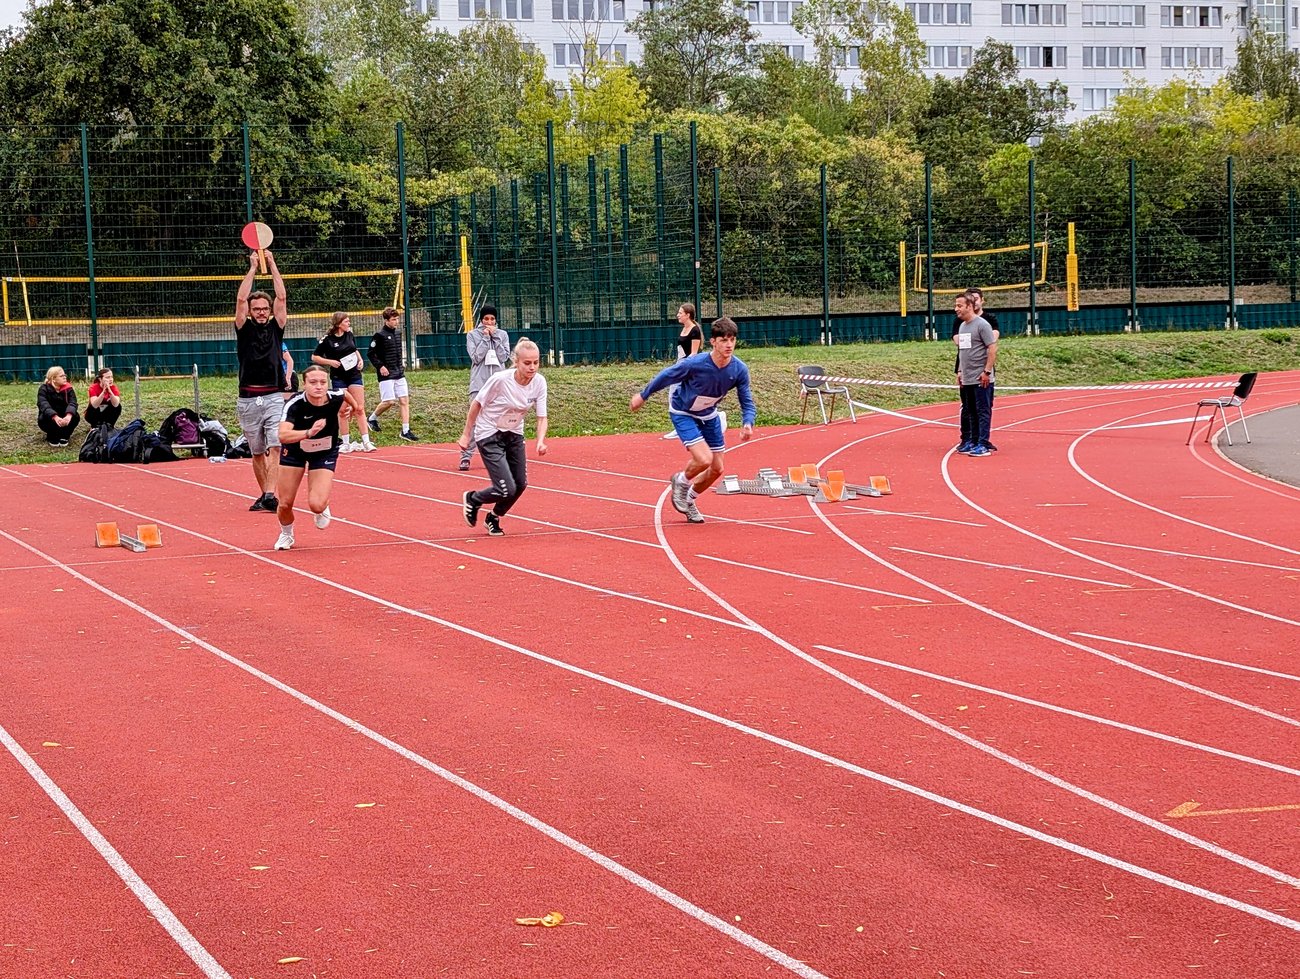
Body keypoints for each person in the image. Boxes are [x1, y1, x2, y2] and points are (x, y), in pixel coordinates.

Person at [629, 316, 756, 524]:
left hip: (709, 415)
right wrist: (643, 396)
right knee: (703, 459)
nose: (729, 345)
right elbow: (666, 376)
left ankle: (689, 501)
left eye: (732, 340)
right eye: (724, 340)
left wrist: (748, 423)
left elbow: (747, 400)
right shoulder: (695, 364)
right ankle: (680, 481)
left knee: (717, 468)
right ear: (713, 342)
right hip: (683, 413)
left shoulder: (739, 369)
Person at [457, 338, 548, 537]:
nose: (532, 367)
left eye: (536, 362)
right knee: (505, 488)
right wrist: (466, 434)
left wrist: (541, 440)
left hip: (514, 433)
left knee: (520, 484)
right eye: (527, 363)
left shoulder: (540, 382)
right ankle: (473, 498)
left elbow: (542, 417)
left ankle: (494, 517)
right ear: (516, 361)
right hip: (489, 433)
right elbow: (476, 405)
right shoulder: (500, 379)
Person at [273, 364, 363, 551]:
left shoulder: (334, 396)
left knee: (316, 505)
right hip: (294, 452)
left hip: (324, 452)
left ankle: (322, 505)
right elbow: (282, 435)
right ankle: (286, 534)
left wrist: (353, 408)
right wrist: (308, 432)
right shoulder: (294, 404)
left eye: (323, 382)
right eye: (313, 382)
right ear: (304, 384)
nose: (319, 386)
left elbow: (345, 394)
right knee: (285, 503)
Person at [234, 248, 288, 512]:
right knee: (256, 452)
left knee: (275, 446)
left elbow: (282, 295)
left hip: (273, 395)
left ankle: (270, 493)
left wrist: (273, 263)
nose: (261, 312)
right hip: (247, 398)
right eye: (257, 309)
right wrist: (253, 268)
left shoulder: (277, 327)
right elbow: (241, 298)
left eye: (264, 308)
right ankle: (264, 495)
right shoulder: (243, 328)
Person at [312, 312, 374, 453]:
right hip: (339, 377)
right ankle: (345, 442)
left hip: (354, 375)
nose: (349, 323)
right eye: (346, 321)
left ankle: (366, 441)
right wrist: (330, 362)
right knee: (342, 410)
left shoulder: (350, 334)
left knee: (359, 407)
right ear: (339, 323)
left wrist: (360, 360)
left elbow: (354, 349)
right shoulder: (327, 340)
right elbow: (315, 357)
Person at [460, 304, 511, 471]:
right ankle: (466, 456)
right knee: (474, 420)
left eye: (492, 319)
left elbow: (504, 356)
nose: (489, 322)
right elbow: (476, 357)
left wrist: (494, 338)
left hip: (498, 384)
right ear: (481, 320)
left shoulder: (502, 335)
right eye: (486, 319)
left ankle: (501, 455)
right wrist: (484, 338)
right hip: (479, 383)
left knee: (500, 420)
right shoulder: (472, 335)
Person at [952, 287, 1000, 453]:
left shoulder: (982, 325)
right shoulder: (962, 326)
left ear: (969, 306)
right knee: (970, 411)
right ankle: (972, 441)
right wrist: (960, 371)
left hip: (981, 377)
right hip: (967, 377)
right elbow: (962, 352)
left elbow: (992, 349)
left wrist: (986, 372)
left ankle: (983, 443)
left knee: (982, 411)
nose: (956, 309)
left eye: (959, 305)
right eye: (956, 306)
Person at [367, 306, 418, 442]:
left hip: (399, 372)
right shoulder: (379, 335)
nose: (396, 322)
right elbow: (370, 354)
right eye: (393, 319)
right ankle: (372, 418)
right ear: (386, 320)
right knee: (389, 401)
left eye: (397, 319)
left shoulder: (398, 333)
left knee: (404, 400)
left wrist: (401, 366)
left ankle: (405, 430)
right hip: (386, 374)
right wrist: (381, 366)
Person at [663, 302, 704, 439]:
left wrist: (683, 367)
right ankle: (683, 426)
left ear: (688, 315)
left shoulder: (695, 330)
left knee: (676, 393)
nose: (678, 315)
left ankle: (681, 427)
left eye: (680, 313)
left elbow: (694, 353)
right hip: (681, 365)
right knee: (681, 396)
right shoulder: (684, 329)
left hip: (688, 368)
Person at [36, 365, 80, 445]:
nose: (65, 377)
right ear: (53, 379)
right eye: (61, 376)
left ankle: (65, 435)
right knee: (44, 417)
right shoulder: (43, 389)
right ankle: (52, 436)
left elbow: (73, 402)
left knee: (75, 416)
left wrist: (69, 415)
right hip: (50, 418)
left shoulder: (68, 388)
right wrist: (54, 416)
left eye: (65, 375)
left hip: (64, 416)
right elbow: (43, 404)